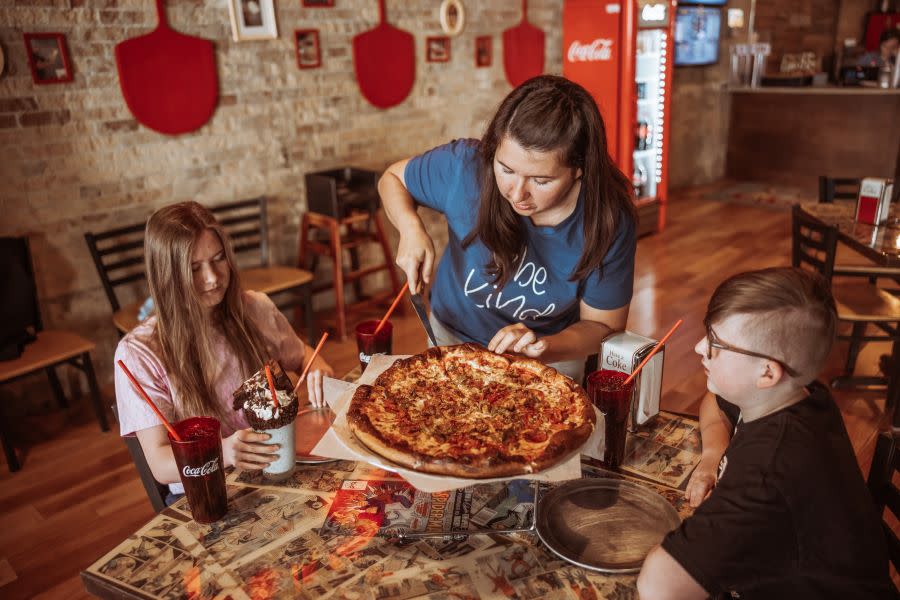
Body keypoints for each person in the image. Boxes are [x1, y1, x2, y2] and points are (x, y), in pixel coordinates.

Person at [637, 267, 893, 599]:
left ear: (768, 372)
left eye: (716, 343)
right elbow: (716, 399)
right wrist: (713, 455)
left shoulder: (768, 474)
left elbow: (659, 585)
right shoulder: (799, 395)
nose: (700, 347)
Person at [377, 75, 637, 383]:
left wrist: (542, 347)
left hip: (548, 362)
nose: (516, 193)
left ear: (579, 170)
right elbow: (392, 179)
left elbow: (603, 326)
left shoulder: (607, 219)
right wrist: (410, 228)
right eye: (506, 169)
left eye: (541, 181)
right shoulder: (464, 168)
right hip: (452, 340)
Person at [115, 202, 333, 503]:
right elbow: (161, 465)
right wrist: (225, 451)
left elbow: (305, 357)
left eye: (219, 260)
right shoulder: (139, 353)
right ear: (167, 275)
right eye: (194, 268)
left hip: (277, 468)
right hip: (209, 492)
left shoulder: (254, 308)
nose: (213, 278)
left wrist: (319, 371)